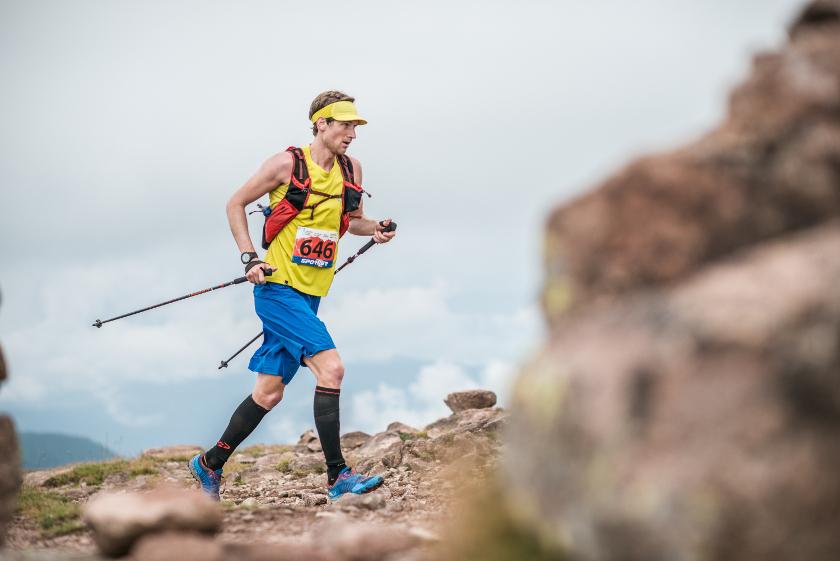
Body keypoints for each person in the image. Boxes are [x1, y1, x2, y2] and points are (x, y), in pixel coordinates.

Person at [189, 90, 396, 501]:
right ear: (321, 123)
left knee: (269, 392)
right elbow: (235, 203)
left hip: (310, 294)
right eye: (346, 124)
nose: (353, 133)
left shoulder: (352, 168)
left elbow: (352, 222)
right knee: (331, 369)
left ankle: (208, 464)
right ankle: (338, 475)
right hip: (276, 288)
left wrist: (374, 227)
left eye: (356, 126)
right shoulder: (286, 164)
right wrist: (249, 258)